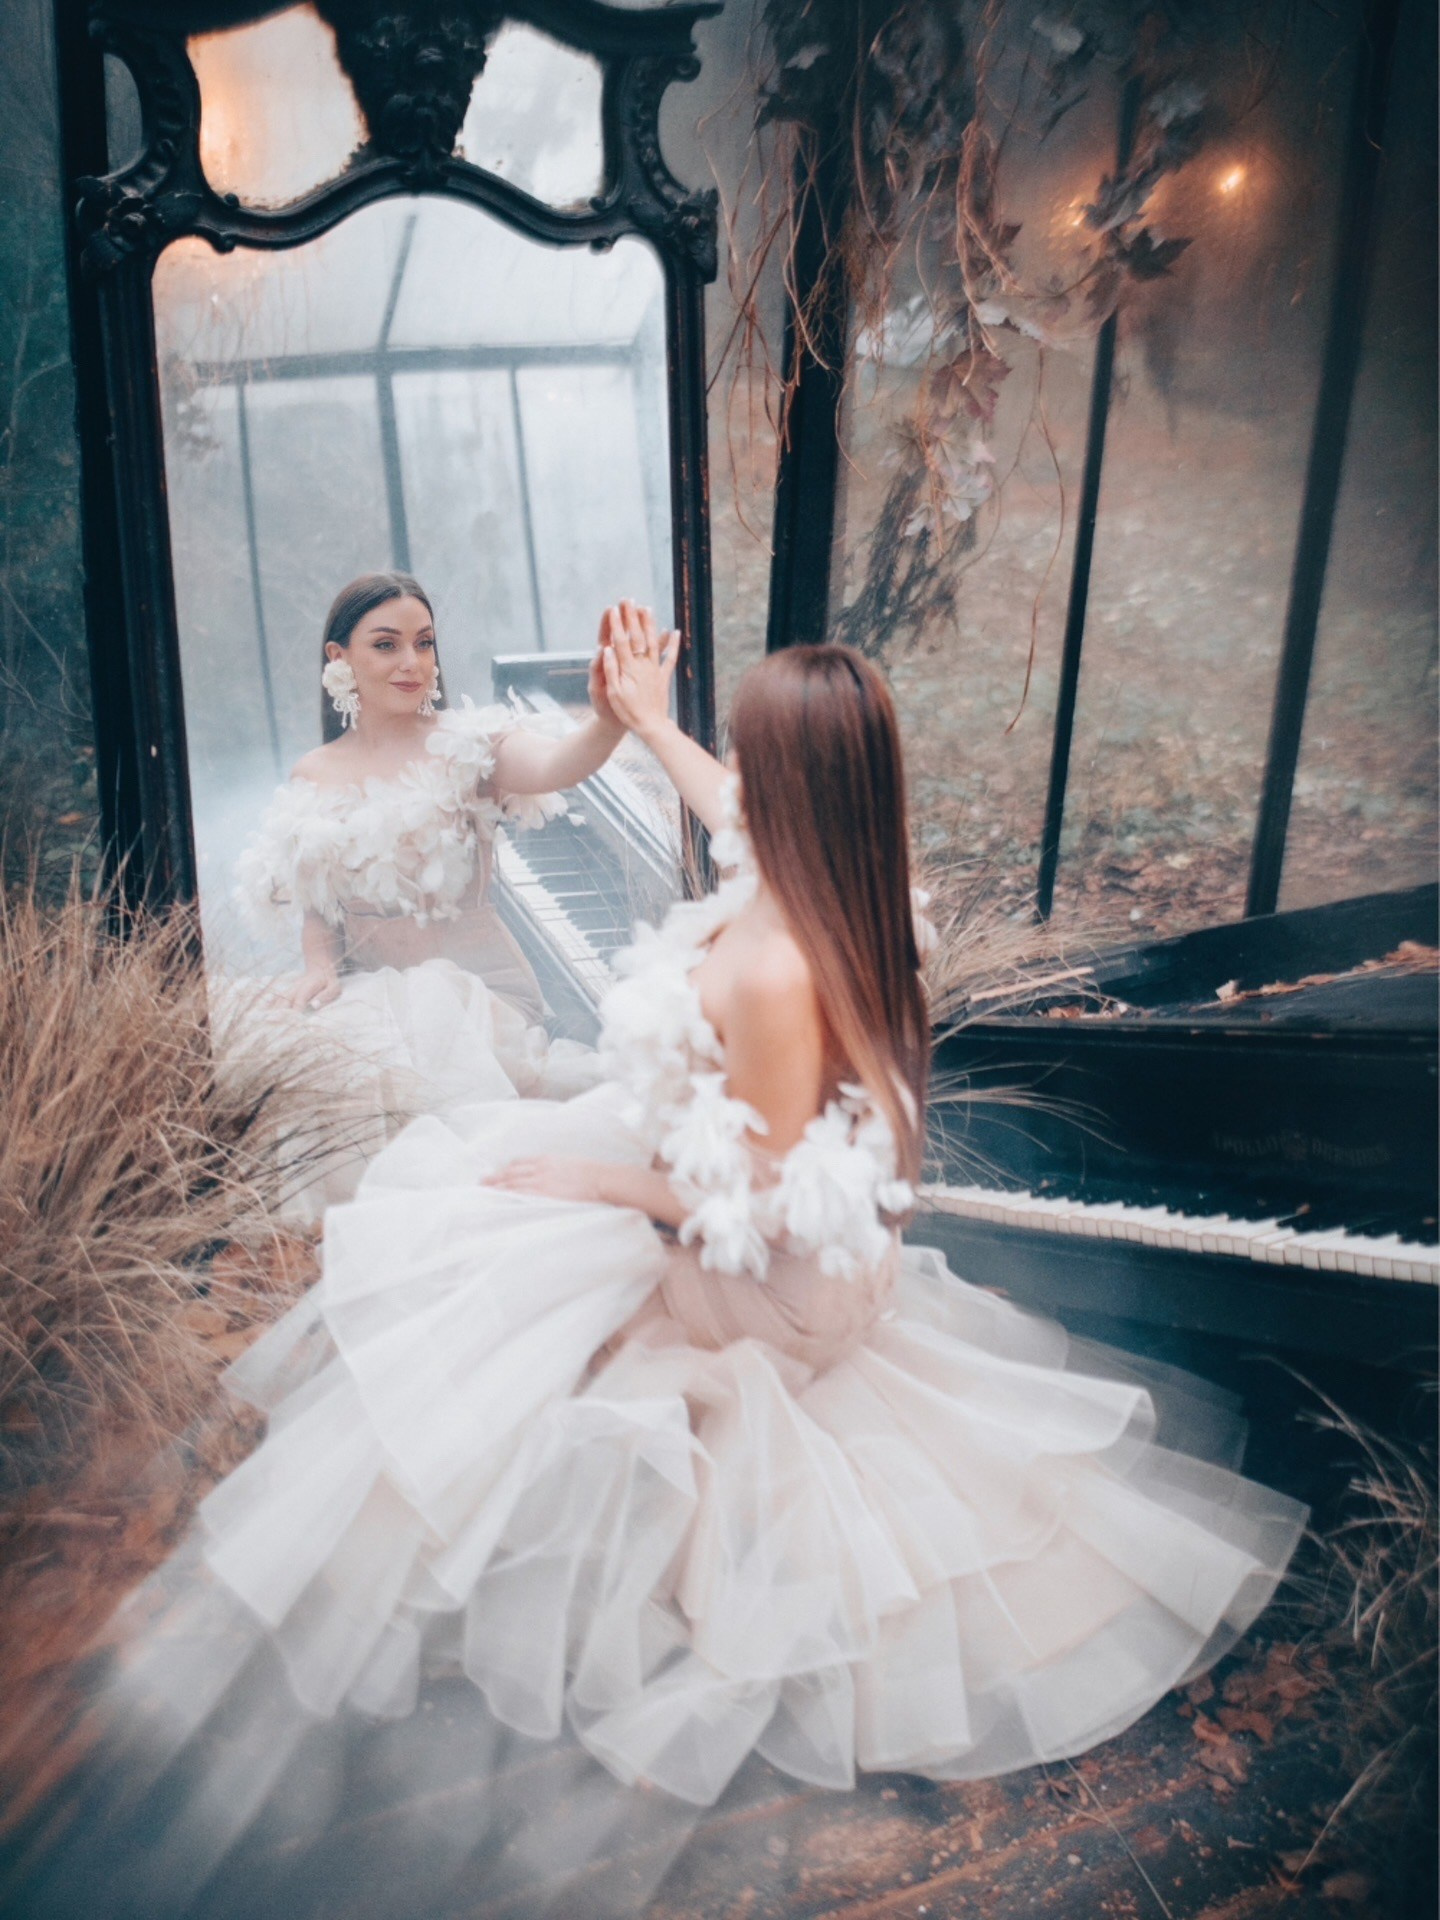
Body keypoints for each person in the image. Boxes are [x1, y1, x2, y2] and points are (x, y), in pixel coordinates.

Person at [28, 621, 1305, 1916]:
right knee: (500, 1215)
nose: (731, 778)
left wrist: (608, 1186)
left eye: (750, 757)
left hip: (772, 1269)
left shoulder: (774, 965)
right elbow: (730, 805)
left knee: (517, 1270)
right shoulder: (846, 876)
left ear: (793, 788)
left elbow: (764, 1203)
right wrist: (644, 717)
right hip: (790, 1227)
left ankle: (545, 1582)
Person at [227, 572, 653, 1218]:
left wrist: (610, 718)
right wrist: (318, 964)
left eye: (424, 643)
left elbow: (559, 764)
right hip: (374, 1002)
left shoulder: (469, 745)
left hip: (479, 1002)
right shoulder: (313, 773)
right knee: (278, 1047)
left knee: (423, 1026)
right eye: (387, 645)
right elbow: (319, 899)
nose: (412, 662)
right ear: (338, 658)